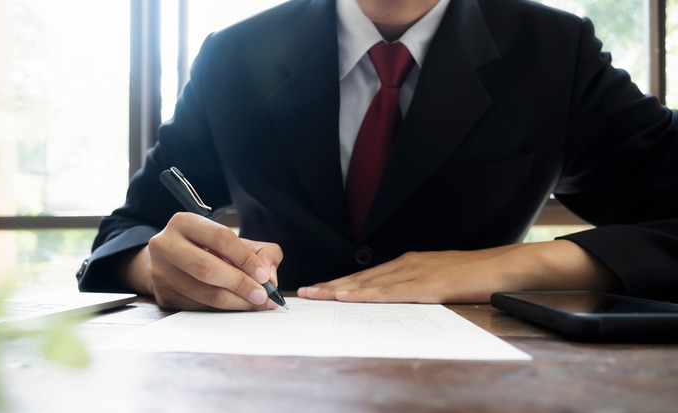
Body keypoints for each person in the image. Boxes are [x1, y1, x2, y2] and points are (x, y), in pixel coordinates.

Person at [77, 0, 678, 311]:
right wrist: (159, 269)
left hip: (477, 397)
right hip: (269, 387)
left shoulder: (552, 51)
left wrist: (513, 267)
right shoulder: (233, 56)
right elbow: (130, 229)